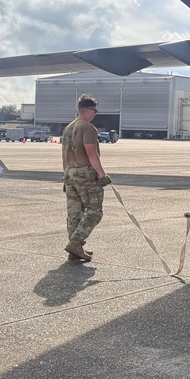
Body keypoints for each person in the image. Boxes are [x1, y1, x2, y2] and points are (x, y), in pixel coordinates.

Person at [61, 94, 110, 262]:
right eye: (95, 111)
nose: (95, 114)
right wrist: (102, 175)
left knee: (74, 213)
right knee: (94, 211)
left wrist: (65, 175)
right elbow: (91, 152)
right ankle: (76, 243)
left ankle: (74, 250)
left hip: (70, 172)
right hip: (84, 174)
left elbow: (64, 154)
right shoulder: (88, 128)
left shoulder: (68, 128)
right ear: (88, 110)